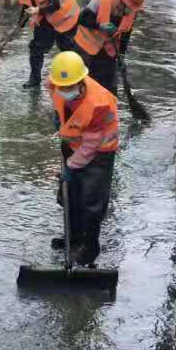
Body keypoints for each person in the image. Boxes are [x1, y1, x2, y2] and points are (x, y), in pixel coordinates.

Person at [48, 51, 119, 266]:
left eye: (70, 88)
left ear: (81, 82)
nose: (65, 91)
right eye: (62, 87)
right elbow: (58, 102)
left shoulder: (98, 104)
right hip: (73, 143)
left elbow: (91, 145)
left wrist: (71, 165)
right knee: (70, 193)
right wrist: (58, 118)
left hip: (99, 153)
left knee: (91, 200)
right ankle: (72, 237)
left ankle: (90, 247)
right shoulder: (56, 83)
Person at [10, 0, 80, 89]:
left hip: (66, 19)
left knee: (67, 50)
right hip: (46, 19)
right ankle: (34, 79)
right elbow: (26, 6)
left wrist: (37, 10)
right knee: (36, 47)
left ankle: (74, 78)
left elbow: (55, 5)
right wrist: (19, 24)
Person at [73, 0, 146, 95]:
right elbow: (81, 18)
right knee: (82, 83)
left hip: (108, 50)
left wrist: (121, 54)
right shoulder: (101, 0)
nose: (127, 12)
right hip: (85, 48)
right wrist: (99, 26)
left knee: (109, 89)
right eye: (126, 8)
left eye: (130, 10)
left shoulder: (132, 12)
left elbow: (126, 33)